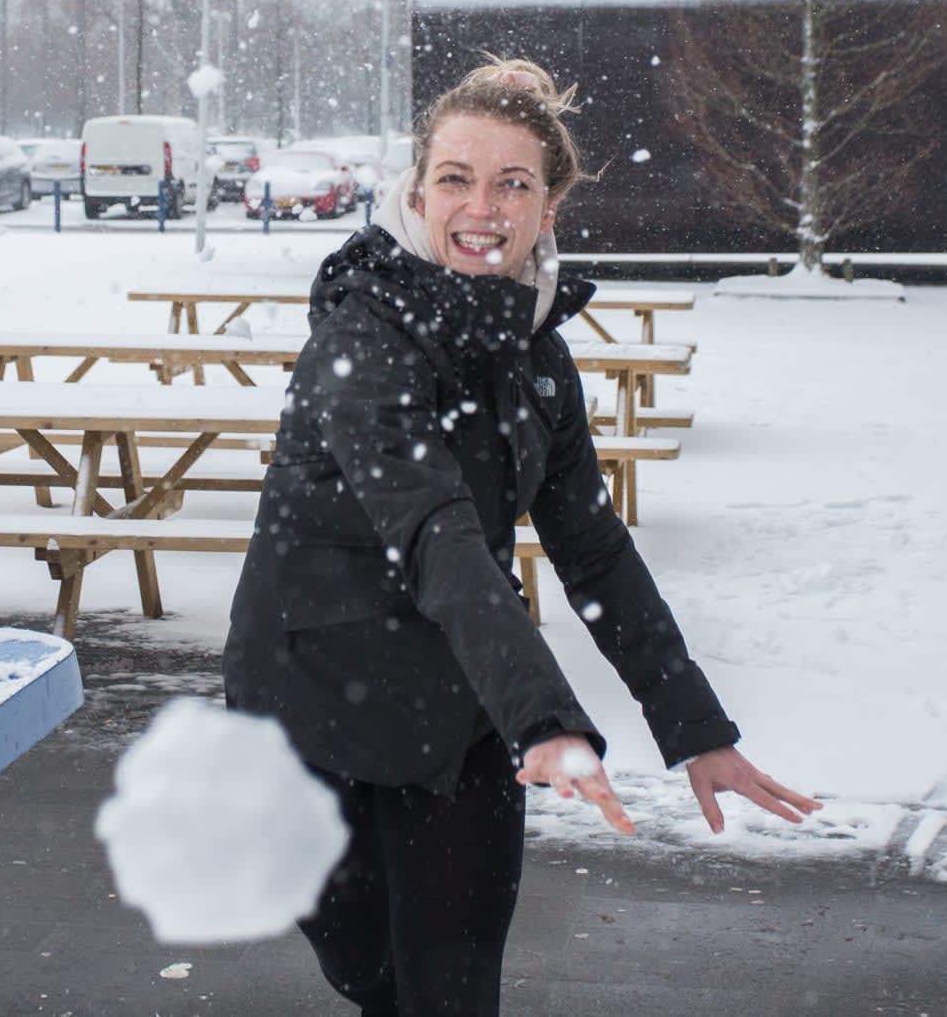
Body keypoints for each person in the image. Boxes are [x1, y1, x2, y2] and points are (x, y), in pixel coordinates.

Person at [223, 57, 820, 1017]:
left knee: (451, 994)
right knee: (366, 970)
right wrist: (548, 717)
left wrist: (694, 726)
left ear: (549, 209)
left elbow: (594, 550)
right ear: (418, 191)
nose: (482, 208)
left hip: (462, 704)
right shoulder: (361, 338)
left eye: (512, 184)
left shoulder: (539, 356)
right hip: (312, 702)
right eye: (456, 178)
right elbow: (437, 531)